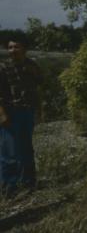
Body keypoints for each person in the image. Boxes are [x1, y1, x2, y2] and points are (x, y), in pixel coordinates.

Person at [0, 39, 43, 195]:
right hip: (10, 113)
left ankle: (29, 182)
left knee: (26, 149)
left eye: (16, 47)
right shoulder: (3, 68)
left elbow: (39, 84)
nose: (12, 50)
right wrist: (2, 115)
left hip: (27, 112)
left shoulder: (32, 65)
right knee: (9, 152)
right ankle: (9, 188)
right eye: (10, 47)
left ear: (24, 48)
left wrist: (38, 110)